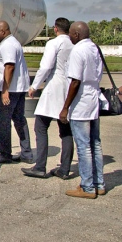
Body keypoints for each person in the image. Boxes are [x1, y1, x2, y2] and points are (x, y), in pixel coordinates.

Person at [23, 17, 74, 179]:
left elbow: (46, 66)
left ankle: (40, 166)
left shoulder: (54, 43)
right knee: (65, 130)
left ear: (55, 29)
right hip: (69, 87)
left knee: (40, 127)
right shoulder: (73, 44)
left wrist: (34, 85)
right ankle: (64, 169)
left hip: (55, 86)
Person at [60, 21, 105, 199]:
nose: (69, 36)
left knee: (84, 146)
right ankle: (99, 183)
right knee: (96, 144)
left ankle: (87, 186)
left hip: (81, 104)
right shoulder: (95, 48)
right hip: (94, 100)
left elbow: (75, 81)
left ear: (77, 35)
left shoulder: (78, 50)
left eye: (71, 34)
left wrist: (65, 107)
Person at [0, 21, 33, 164]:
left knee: (4, 121)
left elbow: (9, 67)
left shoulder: (8, 45)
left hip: (11, 90)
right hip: (19, 88)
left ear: (3, 31)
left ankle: (5, 153)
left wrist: (5, 90)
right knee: (19, 119)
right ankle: (26, 153)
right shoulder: (13, 42)